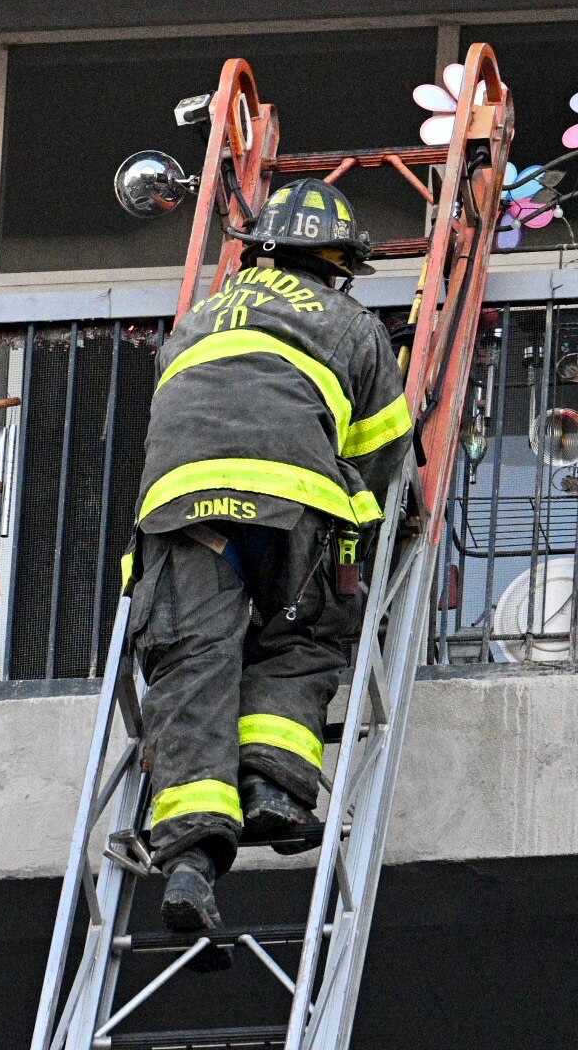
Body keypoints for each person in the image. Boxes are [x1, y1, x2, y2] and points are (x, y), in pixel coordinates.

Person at [126, 177, 415, 933]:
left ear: (258, 250)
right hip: (293, 503)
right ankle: (276, 793)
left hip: (179, 510)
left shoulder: (194, 321)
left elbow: (173, 418)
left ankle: (190, 862)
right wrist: (374, 542)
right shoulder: (352, 325)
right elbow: (384, 454)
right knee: (304, 634)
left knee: (194, 666)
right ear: (338, 264)